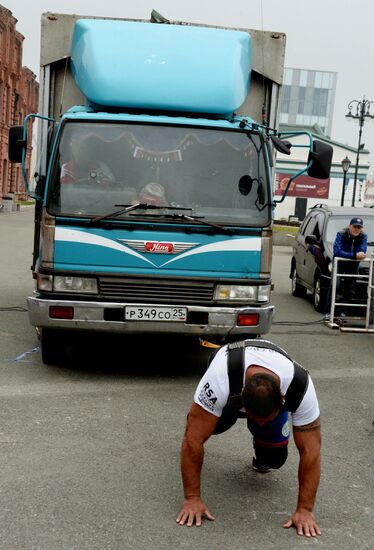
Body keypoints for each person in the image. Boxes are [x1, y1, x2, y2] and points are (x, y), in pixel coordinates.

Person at [176, 339, 322, 537]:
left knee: (274, 459)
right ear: (242, 397)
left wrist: (305, 510)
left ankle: (263, 442)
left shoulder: (300, 386)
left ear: (282, 398)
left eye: (265, 420)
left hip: (263, 394)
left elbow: (311, 451)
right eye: (255, 418)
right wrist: (191, 498)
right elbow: (192, 440)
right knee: (198, 430)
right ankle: (204, 413)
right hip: (228, 387)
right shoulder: (220, 378)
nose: (261, 422)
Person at [323, 216, 367, 321]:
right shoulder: (341, 234)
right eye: (355, 226)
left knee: (350, 288)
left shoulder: (363, 236)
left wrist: (356, 255)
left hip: (353, 265)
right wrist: (354, 255)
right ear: (349, 226)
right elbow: (337, 251)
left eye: (359, 227)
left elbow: (362, 251)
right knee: (335, 285)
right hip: (340, 263)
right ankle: (328, 312)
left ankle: (343, 313)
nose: (356, 229)